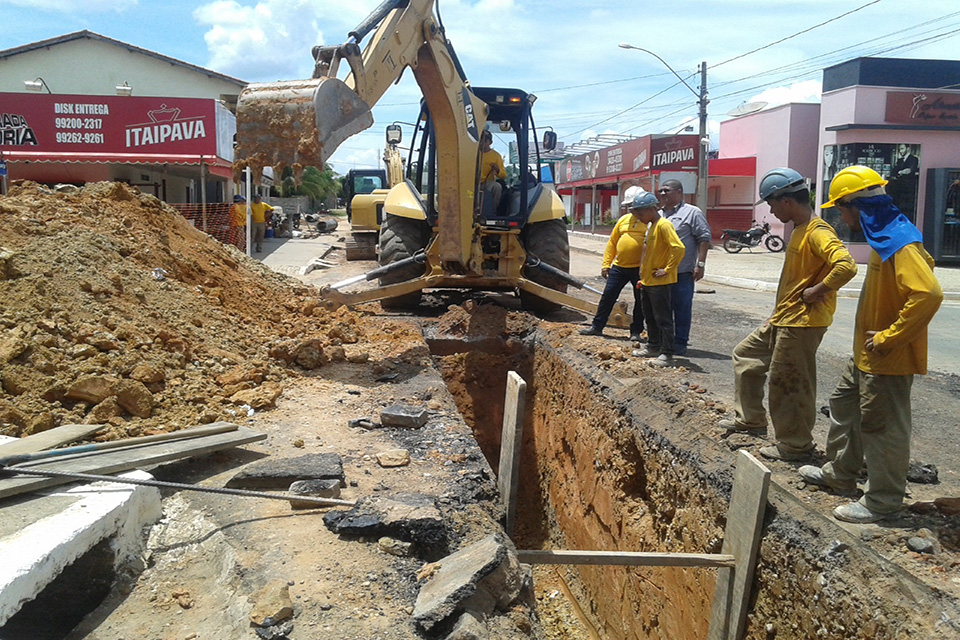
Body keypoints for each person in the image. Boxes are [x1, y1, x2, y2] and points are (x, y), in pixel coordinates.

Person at [798, 166, 942, 524]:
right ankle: (840, 473)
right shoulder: (884, 236)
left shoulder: (899, 240)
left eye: (841, 209)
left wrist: (889, 337)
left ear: (856, 206)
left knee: (883, 427)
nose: (841, 217)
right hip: (866, 353)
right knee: (844, 406)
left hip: (886, 356)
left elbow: (928, 293)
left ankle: (883, 501)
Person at [719, 168, 857, 463]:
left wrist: (817, 290)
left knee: (789, 385)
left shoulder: (818, 232)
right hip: (784, 317)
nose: (770, 209)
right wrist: (775, 312)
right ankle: (750, 420)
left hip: (802, 323)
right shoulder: (798, 229)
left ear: (785, 200)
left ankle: (795, 446)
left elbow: (846, 266)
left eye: (771, 203)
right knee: (745, 356)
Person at [579, 185, 647, 341]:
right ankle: (597, 326)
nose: (631, 209)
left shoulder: (649, 223)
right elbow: (612, 242)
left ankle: (636, 332)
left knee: (640, 301)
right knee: (608, 296)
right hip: (620, 267)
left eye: (633, 206)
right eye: (629, 206)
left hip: (640, 269)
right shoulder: (623, 220)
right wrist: (606, 264)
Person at [630, 192, 685, 367]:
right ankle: (653, 346)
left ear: (652, 209)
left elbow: (678, 248)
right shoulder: (651, 226)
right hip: (648, 281)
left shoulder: (664, 225)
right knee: (650, 317)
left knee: (663, 319)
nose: (638, 217)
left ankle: (667, 354)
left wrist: (668, 269)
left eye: (640, 213)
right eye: (636, 213)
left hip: (660, 283)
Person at [657, 179, 711, 356]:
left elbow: (703, 238)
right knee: (662, 309)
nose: (663, 193)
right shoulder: (658, 215)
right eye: (661, 191)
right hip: (660, 273)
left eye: (667, 190)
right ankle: (664, 342)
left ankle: (680, 342)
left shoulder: (692, 213)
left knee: (681, 308)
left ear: (679, 192)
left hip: (682, 271)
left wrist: (700, 265)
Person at [480, 129, 506, 212]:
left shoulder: (496, 156)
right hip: (471, 183)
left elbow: (503, 175)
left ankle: (492, 211)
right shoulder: (472, 154)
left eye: (484, 141)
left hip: (487, 183)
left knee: (497, 187)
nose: (482, 143)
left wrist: (497, 169)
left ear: (490, 142)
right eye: (480, 141)